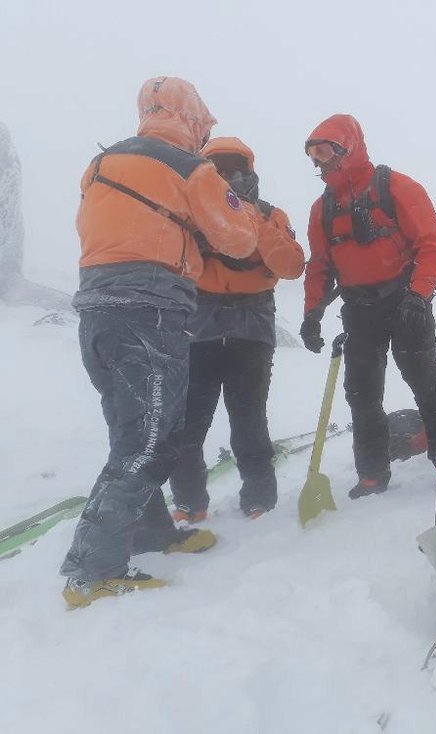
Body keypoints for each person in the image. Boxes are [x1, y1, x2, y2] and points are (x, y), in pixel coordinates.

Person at [60, 77, 259, 608]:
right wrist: (238, 203)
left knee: (137, 431)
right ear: (191, 119)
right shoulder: (191, 167)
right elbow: (238, 238)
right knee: (149, 441)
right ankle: (94, 571)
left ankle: (146, 531)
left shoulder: (101, 165)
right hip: (148, 312)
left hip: (98, 310)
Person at [299, 114, 436, 524]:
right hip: (359, 309)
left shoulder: (396, 187)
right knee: (362, 392)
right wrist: (311, 314)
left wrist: (418, 294)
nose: (319, 162)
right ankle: (372, 472)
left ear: (348, 147)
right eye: (313, 154)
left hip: (405, 300)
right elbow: (320, 266)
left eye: (326, 151)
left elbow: (432, 245)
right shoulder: (322, 210)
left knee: (424, 376)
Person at [168, 137, 305, 523]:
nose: (229, 179)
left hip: (250, 328)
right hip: (199, 329)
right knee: (188, 424)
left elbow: (293, 265)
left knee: (248, 422)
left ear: (250, 173)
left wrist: (252, 221)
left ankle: (260, 499)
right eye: (218, 172)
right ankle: (189, 503)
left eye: (235, 170)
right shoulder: (190, 216)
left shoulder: (270, 215)